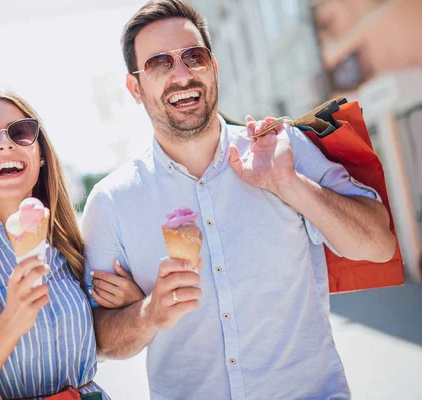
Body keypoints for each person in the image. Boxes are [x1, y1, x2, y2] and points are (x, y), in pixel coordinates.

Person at [82, 1, 397, 399]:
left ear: (213, 68)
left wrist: (289, 183)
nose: (182, 75)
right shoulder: (111, 202)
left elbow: (378, 245)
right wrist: (149, 314)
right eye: (160, 64)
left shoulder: (284, 150)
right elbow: (99, 340)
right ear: (135, 87)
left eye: (193, 57)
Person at [0, 90, 143, 400]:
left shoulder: (70, 244)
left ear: (41, 153)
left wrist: (135, 307)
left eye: (21, 131)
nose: (5, 143)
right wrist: (10, 322)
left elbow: (105, 343)